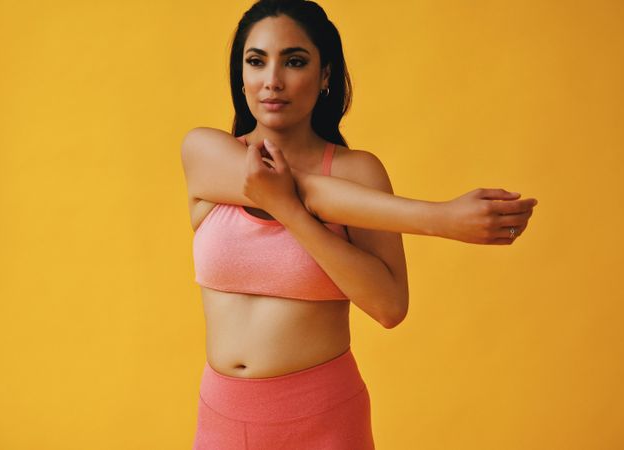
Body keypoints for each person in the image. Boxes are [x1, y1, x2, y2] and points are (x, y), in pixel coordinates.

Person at [180, 1, 538, 448]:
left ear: (326, 75)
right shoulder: (205, 153)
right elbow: (301, 190)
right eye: (256, 61)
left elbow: (389, 308)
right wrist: (441, 217)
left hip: (323, 417)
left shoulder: (357, 174)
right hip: (222, 417)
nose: (272, 80)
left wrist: (289, 211)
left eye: (294, 61)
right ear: (241, 75)